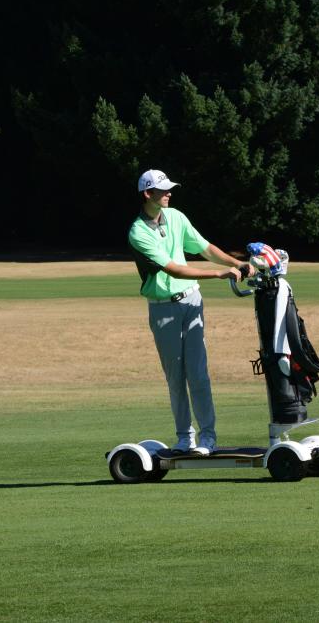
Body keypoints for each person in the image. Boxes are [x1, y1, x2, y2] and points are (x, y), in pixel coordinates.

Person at [128, 168, 253, 455]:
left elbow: (205, 247)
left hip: (191, 302)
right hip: (163, 310)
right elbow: (175, 269)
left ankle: (208, 438)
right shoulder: (137, 232)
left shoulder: (176, 216)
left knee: (198, 373)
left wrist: (239, 263)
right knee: (176, 377)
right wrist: (219, 274)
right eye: (163, 190)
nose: (169, 193)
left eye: (169, 188)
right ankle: (185, 438)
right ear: (148, 194)